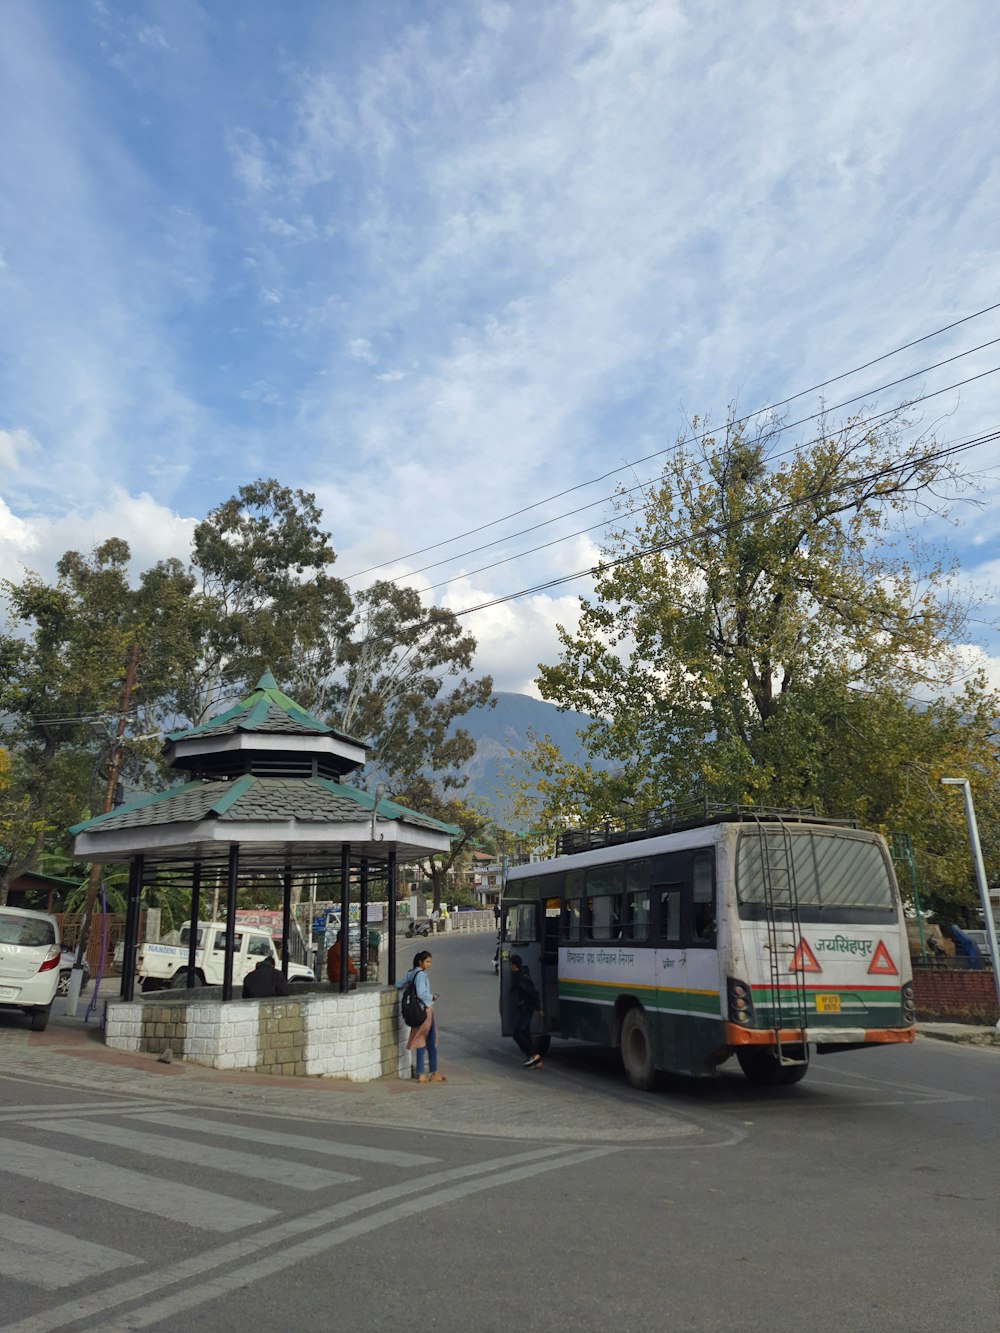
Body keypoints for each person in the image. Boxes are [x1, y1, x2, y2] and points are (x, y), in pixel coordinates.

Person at [396, 950, 446, 1083]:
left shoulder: (410, 973)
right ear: (420, 962)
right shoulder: (421, 975)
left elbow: (398, 984)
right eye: (427, 961)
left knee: (422, 1040)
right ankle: (429, 1072)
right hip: (425, 1011)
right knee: (428, 1042)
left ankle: (424, 1073)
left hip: (416, 1012)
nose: (429, 964)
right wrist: (432, 997)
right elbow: (421, 993)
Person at [509, 954, 544, 1069]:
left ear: (515, 965)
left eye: (511, 964)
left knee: (517, 1033)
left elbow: (534, 994)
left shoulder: (522, 979)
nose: (510, 967)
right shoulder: (518, 976)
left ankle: (533, 1055)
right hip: (524, 1008)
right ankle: (535, 1059)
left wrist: (539, 1009)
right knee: (526, 1033)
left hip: (526, 1009)